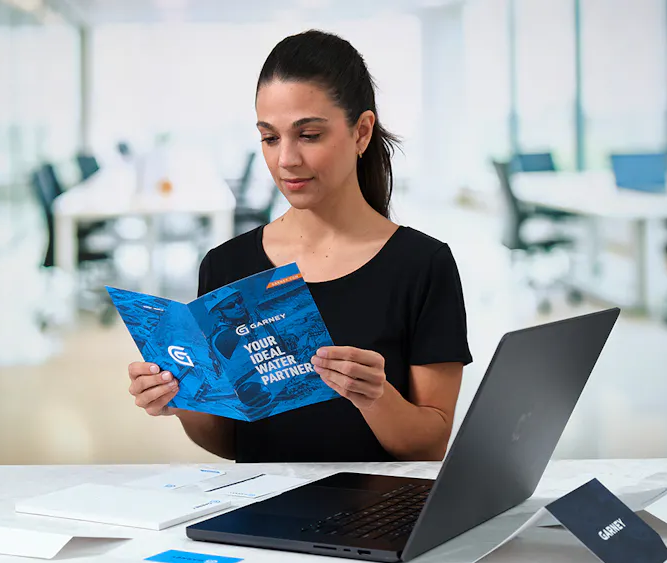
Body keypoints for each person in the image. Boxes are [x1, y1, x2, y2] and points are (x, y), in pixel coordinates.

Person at [127, 29, 472, 463]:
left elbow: (431, 443)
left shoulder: (423, 266)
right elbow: (234, 441)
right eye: (270, 138)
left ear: (362, 132)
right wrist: (180, 402)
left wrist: (375, 397)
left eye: (308, 135)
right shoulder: (227, 267)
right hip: (258, 518)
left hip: (376, 515)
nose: (286, 159)